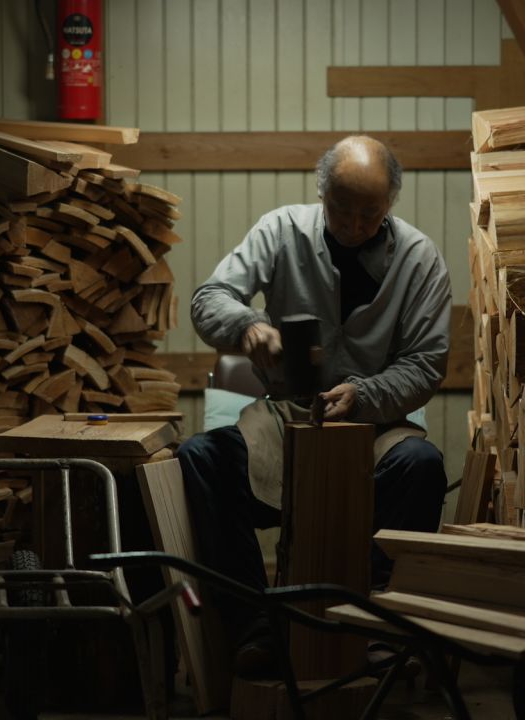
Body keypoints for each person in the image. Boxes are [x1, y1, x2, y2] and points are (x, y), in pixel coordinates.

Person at [176, 135, 451, 677]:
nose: (353, 225)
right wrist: (248, 324)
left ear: (391, 202)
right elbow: (210, 299)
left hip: (377, 420)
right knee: (202, 458)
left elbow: (425, 364)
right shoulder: (282, 230)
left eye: (369, 214)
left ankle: (374, 625)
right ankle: (254, 627)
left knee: (421, 468)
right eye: (341, 210)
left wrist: (367, 395)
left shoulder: (420, 260)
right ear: (321, 194)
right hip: (289, 412)